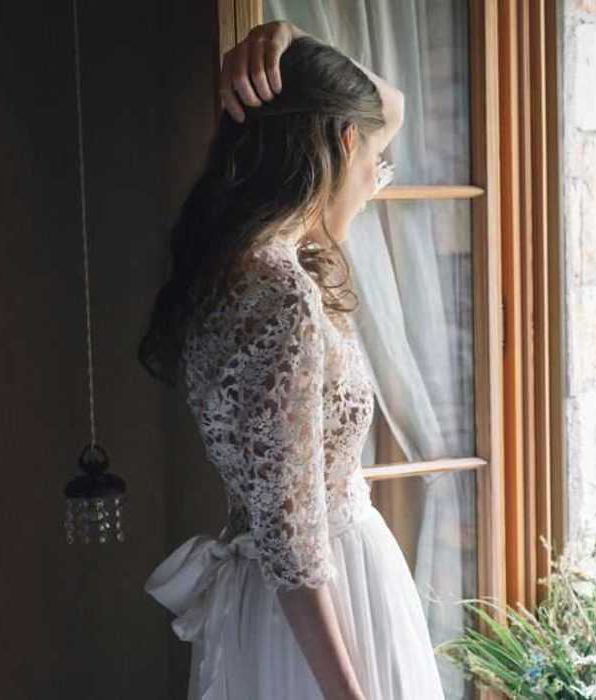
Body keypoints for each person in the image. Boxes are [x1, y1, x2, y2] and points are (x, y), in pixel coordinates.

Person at [137, 19, 445, 700]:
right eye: (372, 165)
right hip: (326, 608)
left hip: (285, 600)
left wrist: (288, 36)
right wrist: (350, 694)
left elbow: (385, 109)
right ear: (340, 141)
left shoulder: (231, 266)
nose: (373, 183)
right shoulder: (281, 293)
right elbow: (294, 545)